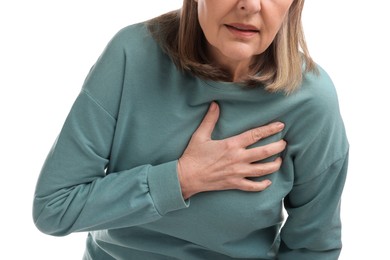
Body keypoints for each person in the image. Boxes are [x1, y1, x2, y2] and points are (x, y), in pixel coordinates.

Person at [33, 0, 349, 259]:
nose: (250, 5)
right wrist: (182, 179)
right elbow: (54, 207)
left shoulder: (311, 101)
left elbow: (313, 247)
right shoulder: (130, 55)